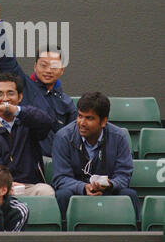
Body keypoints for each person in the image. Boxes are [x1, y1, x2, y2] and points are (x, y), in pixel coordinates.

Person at [0, 0, 77, 157]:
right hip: (26, 159)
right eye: (43, 65)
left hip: (58, 162)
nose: (48, 70)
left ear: (62, 69)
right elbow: (4, 57)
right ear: (35, 66)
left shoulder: (67, 103)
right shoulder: (22, 85)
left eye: (54, 66)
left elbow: (73, 139)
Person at [52, 91, 140, 221]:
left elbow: (124, 175)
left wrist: (110, 184)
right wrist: (83, 187)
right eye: (80, 116)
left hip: (107, 191)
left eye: (89, 118)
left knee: (129, 195)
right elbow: (60, 178)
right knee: (62, 195)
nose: (82, 123)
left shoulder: (119, 137)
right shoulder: (63, 137)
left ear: (103, 121)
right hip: (76, 192)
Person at [0, 72, 55, 197]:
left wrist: (15, 110)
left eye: (10, 93)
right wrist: (6, 183)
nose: (5, 98)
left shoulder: (28, 118)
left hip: (29, 186)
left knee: (46, 191)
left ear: (20, 97)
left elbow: (46, 122)